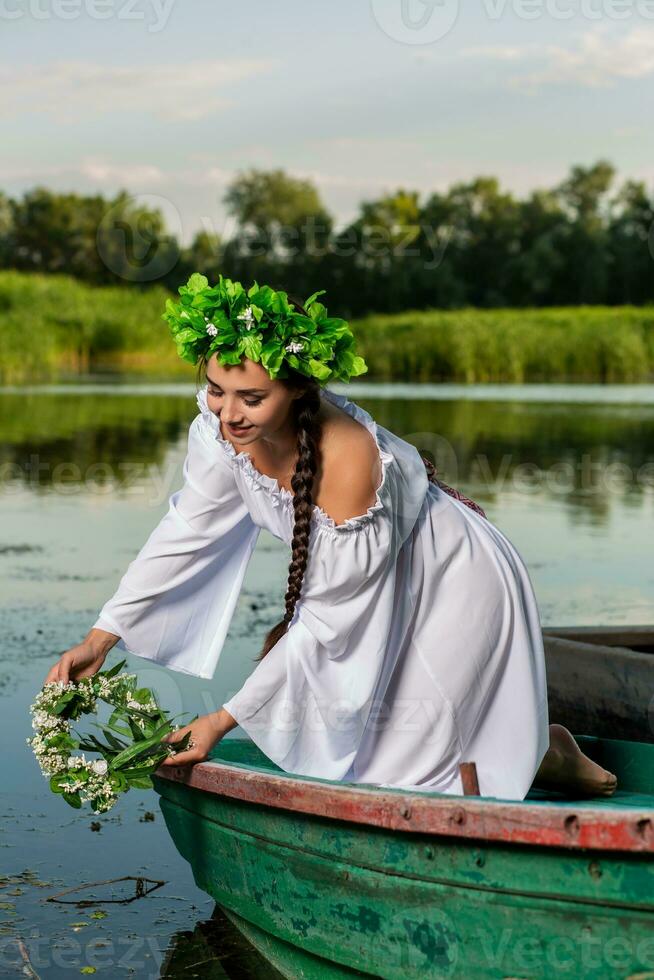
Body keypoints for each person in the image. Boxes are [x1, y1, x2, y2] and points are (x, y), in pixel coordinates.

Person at [45, 273, 617, 801]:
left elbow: (328, 621)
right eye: (217, 390)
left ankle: (544, 749)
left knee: (415, 774)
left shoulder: (346, 459)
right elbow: (188, 531)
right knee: (362, 757)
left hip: (451, 577)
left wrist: (220, 720)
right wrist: (104, 635)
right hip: (377, 580)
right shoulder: (223, 432)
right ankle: (534, 744)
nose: (228, 415)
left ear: (296, 390)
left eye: (252, 398)